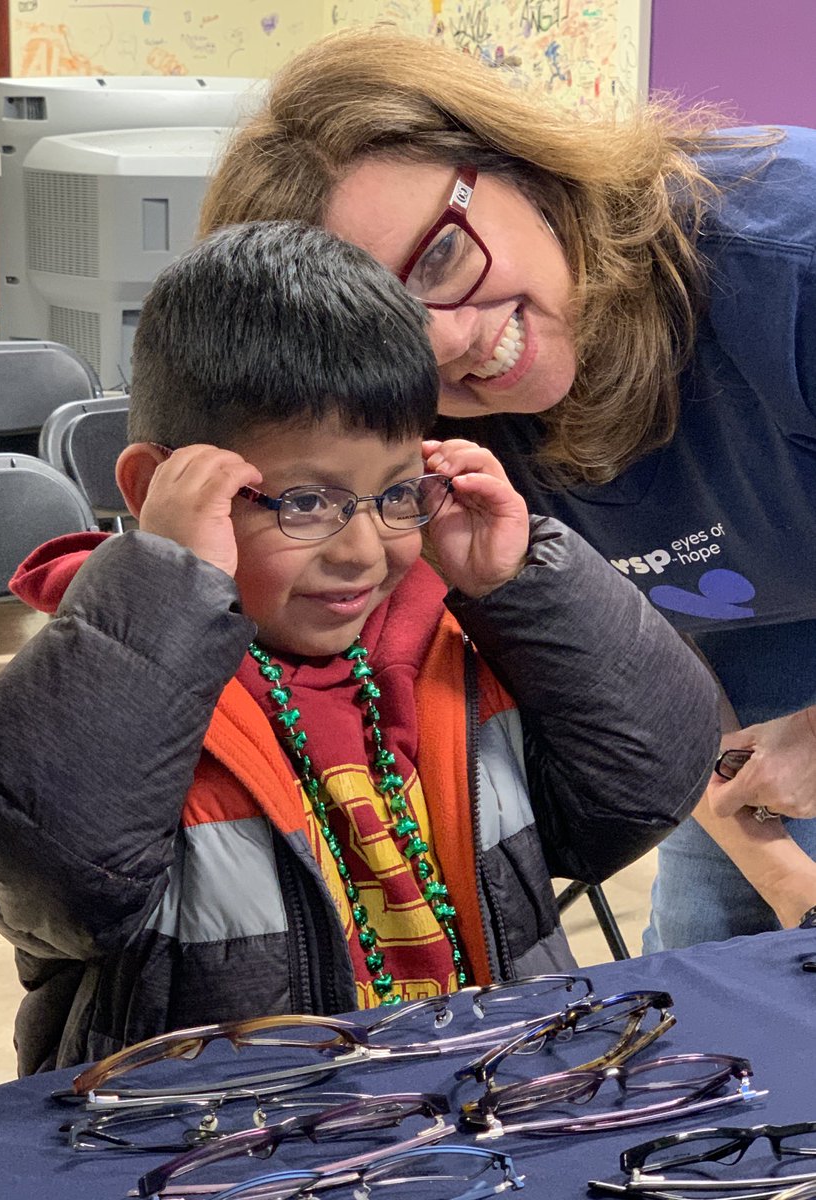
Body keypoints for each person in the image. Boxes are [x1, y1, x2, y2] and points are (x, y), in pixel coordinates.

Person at [0, 221, 716, 1074]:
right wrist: (165, 587)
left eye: (399, 493)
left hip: (480, 1103)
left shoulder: (460, 646)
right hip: (216, 1131)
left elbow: (644, 789)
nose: (363, 551)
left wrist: (524, 586)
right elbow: (54, 883)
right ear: (159, 489)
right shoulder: (110, 688)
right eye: (304, 502)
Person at [195, 27, 816, 950]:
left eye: (441, 258)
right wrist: (786, 877)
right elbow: (661, 699)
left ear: (523, 167)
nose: (450, 342)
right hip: (740, 659)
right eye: (392, 328)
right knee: (722, 973)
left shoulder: (788, 261)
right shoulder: (436, 446)